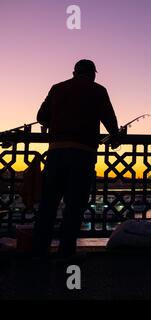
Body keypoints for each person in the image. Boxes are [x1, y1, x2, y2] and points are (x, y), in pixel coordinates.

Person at [32, 59, 119, 258]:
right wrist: (115, 135)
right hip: (82, 154)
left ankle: (38, 251)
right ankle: (66, 252)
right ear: (93, 74)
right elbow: (109, 119)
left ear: (74, 72)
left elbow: (41, 117)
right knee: (74, 206)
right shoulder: (98, 90)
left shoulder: (57, 88)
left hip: (55, 154)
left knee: (48, 205)